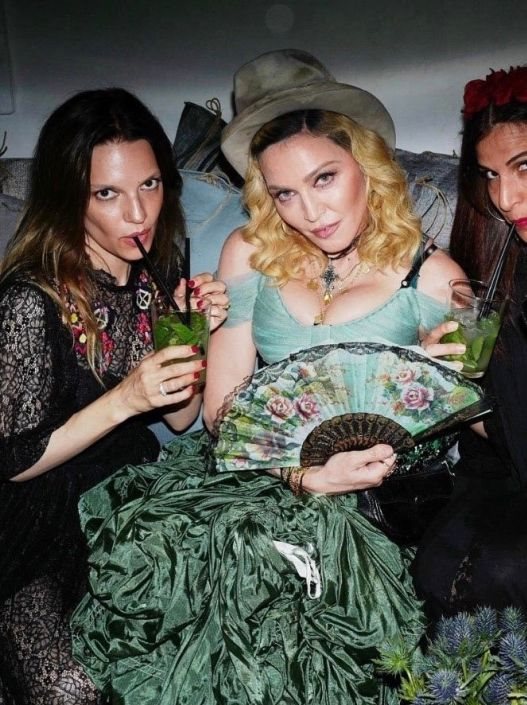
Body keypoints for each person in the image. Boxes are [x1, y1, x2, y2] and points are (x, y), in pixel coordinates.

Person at [70, 50, 466, 704]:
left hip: (370, 492)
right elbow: (220, 409)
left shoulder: (433, 277)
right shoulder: (249, 252)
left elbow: (462, 428)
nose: (309, 211)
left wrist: (444, 383)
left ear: (365, 165)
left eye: (323, 178)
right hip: (253, 469)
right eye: (283, 193)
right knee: (212, 551)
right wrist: (298, 474)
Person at [0, 87, 228, 705]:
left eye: (149, 185)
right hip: (36, 525)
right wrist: (125, 398)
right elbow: (13, 461)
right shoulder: (30, 301)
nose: (137, 214)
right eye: (107, 193)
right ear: (67, 197)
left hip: (127, 505)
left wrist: (195, 336)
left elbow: (180, 419)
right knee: (69, 690)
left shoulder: (158, 270)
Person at [412, 65, 527, 618]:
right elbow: (495, 425)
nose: (505, 197)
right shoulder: (500, 264)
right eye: (489, 175)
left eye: (524, 166)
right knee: (438, 570)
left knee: (499, 571)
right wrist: (450, 381)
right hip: (506, 465)